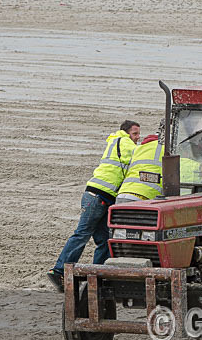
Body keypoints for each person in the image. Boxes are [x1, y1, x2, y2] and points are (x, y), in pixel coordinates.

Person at [46, 120, 140, 292]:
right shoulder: (123, 141)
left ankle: (97, 277)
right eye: (135, 134)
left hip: (101, 197)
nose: (137, 137)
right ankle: (59, 270)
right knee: (82, 234)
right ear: (126, 133)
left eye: (138, 134)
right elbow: (140, 157)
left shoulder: (115, 142)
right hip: (97, 196)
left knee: (104, 240)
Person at [116, 120, 165, 202]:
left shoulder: (139, 148)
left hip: (122, 194)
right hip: (144, 197)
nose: (138, 137)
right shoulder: (168, 150)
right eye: (135, 134)